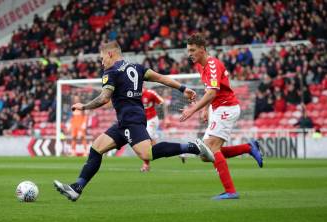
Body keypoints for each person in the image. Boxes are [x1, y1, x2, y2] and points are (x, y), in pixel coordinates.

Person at [54, 41, 214, 202]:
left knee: (147, 153)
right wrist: (183, 88)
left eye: (102, 58)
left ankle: (193, 147)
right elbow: (160, 78)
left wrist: (84, 107)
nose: (102, 62)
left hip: (131, 119)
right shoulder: (137, 67)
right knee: (96, 148)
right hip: (127, 120)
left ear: (110, 54)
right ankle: (77, 188)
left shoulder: (111, 72)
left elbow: (104, 98)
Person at [180, 33, 264, 200]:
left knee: (211, 148)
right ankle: (248, 148)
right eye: (188, 50)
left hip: (227, 108)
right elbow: (208, 90)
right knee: (205, 155)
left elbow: (212, 93)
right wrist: (205, 110)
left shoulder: (212, 65)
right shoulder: (200, 65)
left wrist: (193, 110)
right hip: (217, 108)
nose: (189, 54)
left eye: (193, 50)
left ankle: (231, 191)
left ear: (202, 50)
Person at [140, 87, 164, 172]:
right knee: (152, 143)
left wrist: (164, 115)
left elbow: (161, 101)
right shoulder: (133, 95)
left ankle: (146, 165)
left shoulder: (150, 93)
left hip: (151, 119)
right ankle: (176, 151)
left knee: (146, 139)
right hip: (141, 120)